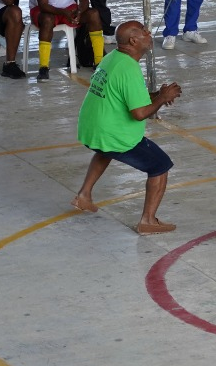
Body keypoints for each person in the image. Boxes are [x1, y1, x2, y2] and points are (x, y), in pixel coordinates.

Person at [71, 21, 181, 234]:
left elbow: (131, 99)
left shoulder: (112, 58)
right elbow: (139, 114)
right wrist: (161, 100)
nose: (149, 34)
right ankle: (147, 221)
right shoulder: (129, 68)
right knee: (160, 166)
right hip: (112, 131)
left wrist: (159, 95)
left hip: (93, 127)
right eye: (144, 31)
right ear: (134, 40)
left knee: (105, 151)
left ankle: (84, 195)